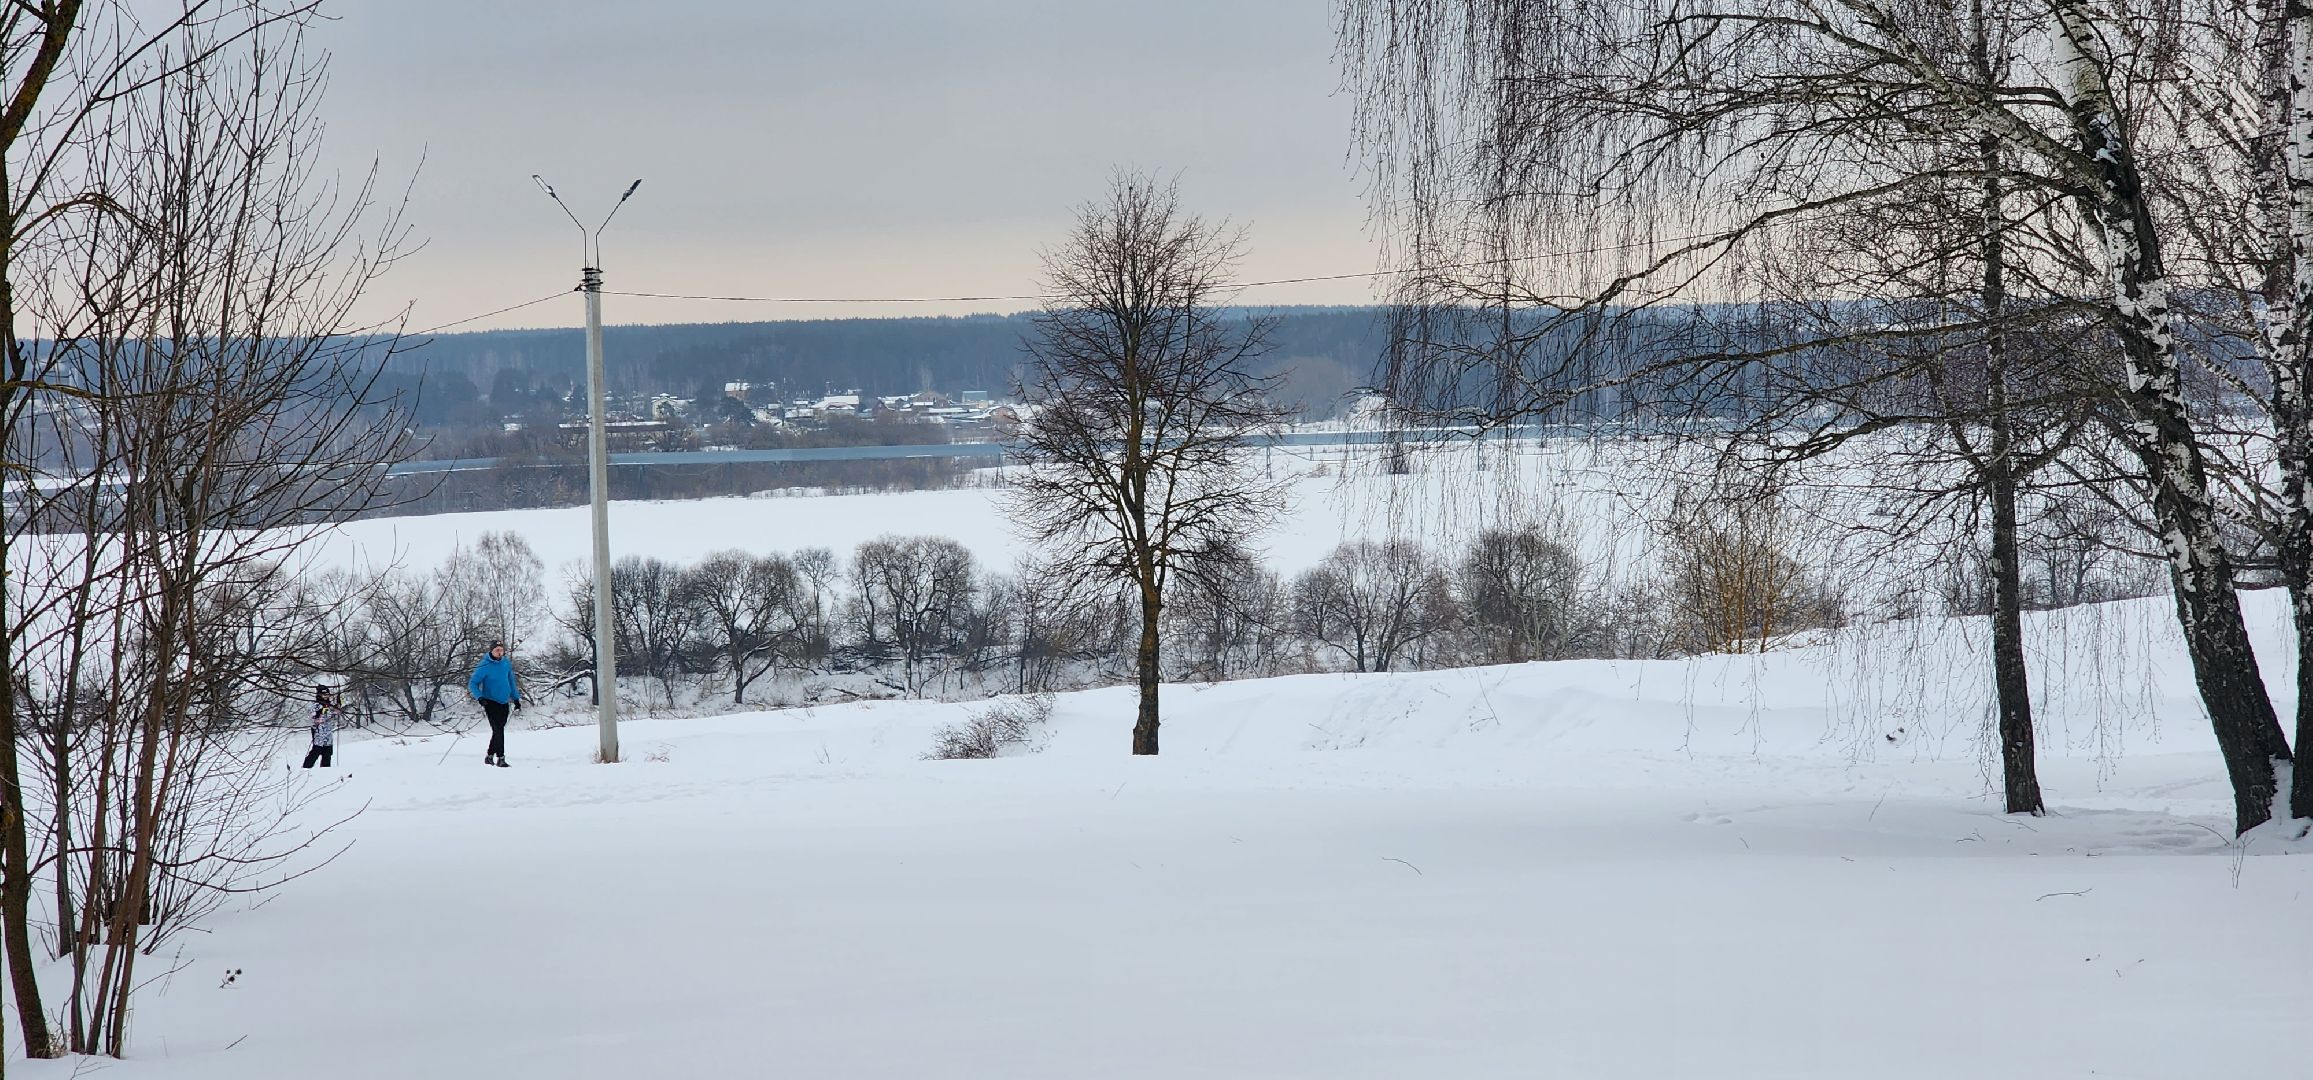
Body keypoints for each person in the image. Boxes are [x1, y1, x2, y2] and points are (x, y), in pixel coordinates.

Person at [468, 640, 522, 767]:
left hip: (504, 701)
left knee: (499, 730)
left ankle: (489, 755)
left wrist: (516, 698)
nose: (499, 652)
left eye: (501, 650)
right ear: (491, 651)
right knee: (498, 729)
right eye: (497, 650)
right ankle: (501, 758)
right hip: (490, 701)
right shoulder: (484, 665)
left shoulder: (506, 663)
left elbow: (511, 682)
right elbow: (473, 683)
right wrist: (479, 697)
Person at [303, 685, 340, 769]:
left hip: (328, 732)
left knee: (328, 752)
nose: (326, 697)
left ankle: (325, 770)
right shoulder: (315, 705)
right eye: (324, 695)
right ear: (319, 695)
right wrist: (319, 713)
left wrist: (338, 704)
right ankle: (306, 768)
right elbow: (311, 717)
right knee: (317, 750)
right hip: (318, 732)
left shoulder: (329, 705)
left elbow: (337, 711)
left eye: (328, 695)